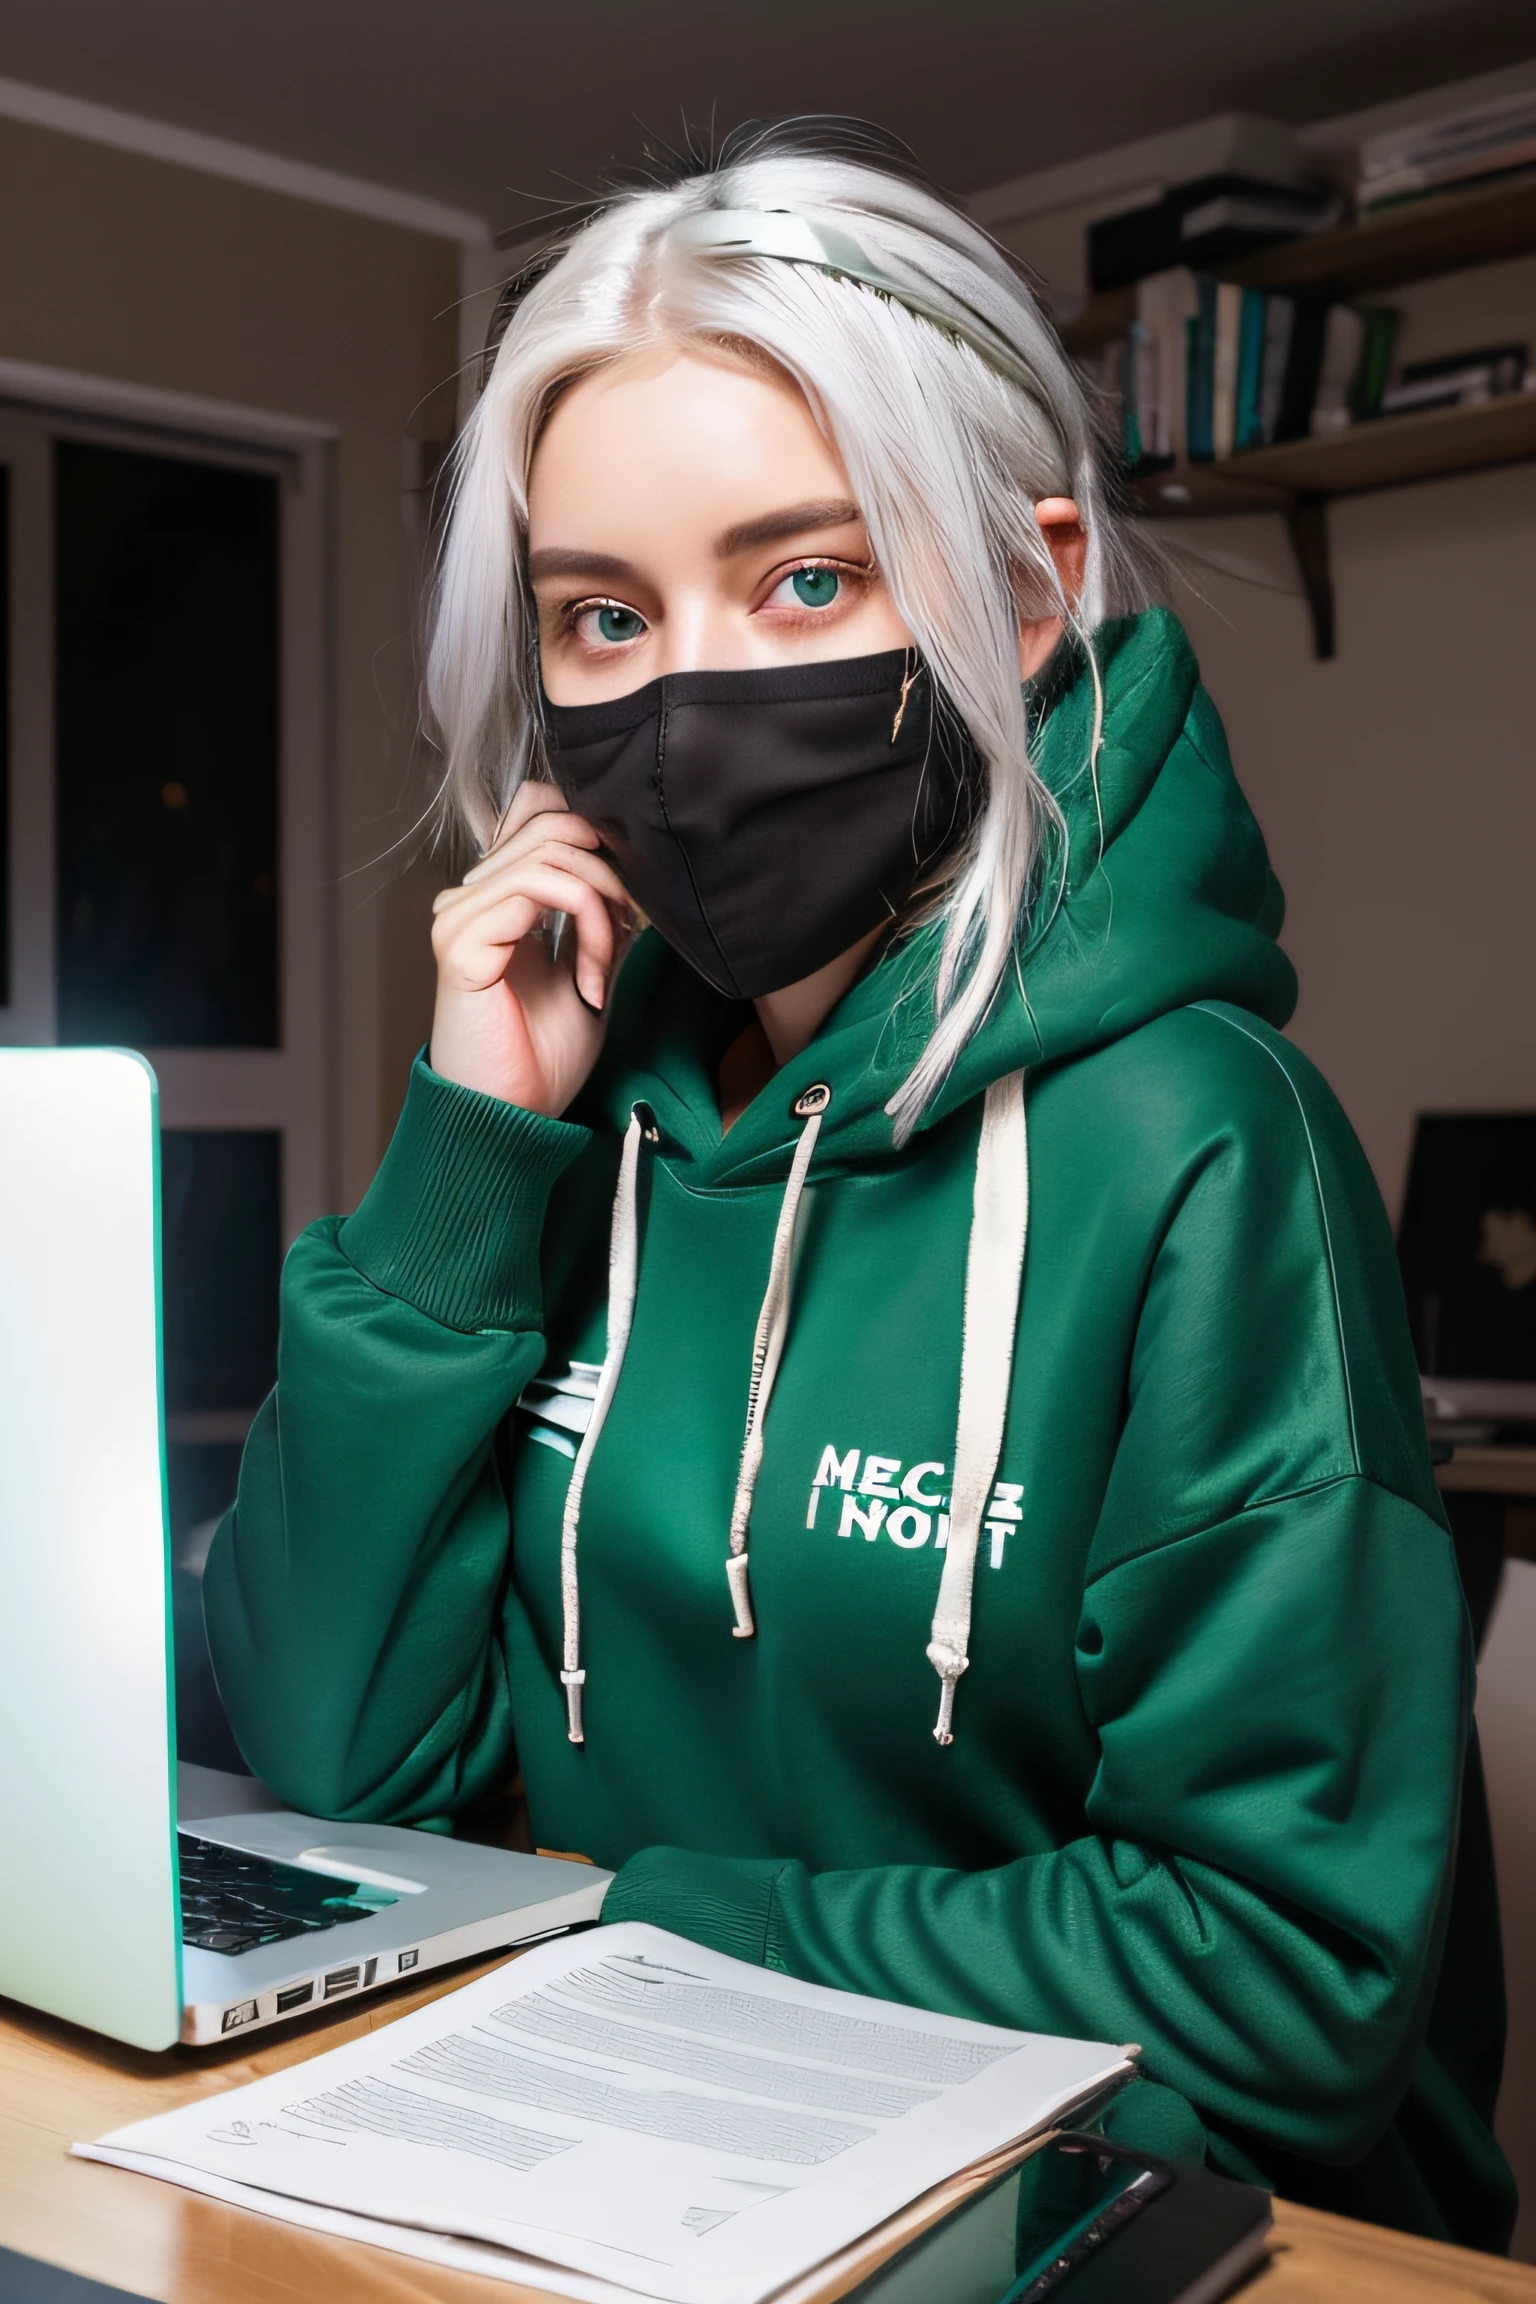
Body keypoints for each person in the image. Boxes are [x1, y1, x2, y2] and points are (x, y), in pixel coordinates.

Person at [203, 123, 1514, 2248]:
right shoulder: (579, 1111)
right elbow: (340, 1766)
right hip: (618, 2161)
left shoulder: (1204, 1146)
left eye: (805, 577)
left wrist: (620, 1919)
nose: (694, 694)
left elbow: (1285, 1989)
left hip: (1145, 2222)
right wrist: (471, 1145)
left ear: (1027, 591)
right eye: (605, 618)